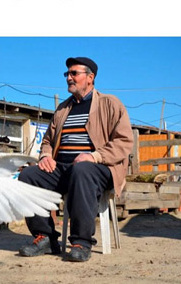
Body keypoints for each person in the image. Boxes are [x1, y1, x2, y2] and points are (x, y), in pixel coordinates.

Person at [18, 57, 133, 262]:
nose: (69, 78)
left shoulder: (110, 103)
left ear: (90, 77)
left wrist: (94, 156)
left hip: (100, 167)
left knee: (83, 170)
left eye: (74, 73)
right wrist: (45, 156)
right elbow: (48, 141)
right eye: (67, 74)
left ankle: (81, 242)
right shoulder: (63, 109)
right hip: (63, 168)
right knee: (28, 175)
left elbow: (124, 142)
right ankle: (44, 237)